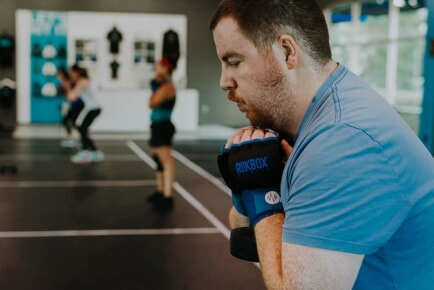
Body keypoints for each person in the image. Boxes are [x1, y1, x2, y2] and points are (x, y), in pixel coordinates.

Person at [210, 0, 434, 289]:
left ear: (287, 52)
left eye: (234, 61)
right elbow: (242, 229)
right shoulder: (316, 117)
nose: (224, 81)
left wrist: (261, 191)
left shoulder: (342, 141)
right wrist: (248, 190)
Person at [146, 57, 177, 212]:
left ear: (166, 69)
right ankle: (160, 191)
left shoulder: (167, 87)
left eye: (159, 66)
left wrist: (154, 89)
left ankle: (168, 196)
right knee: (157, 159)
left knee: (166, 161)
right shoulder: (162, 85)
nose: (156, 69)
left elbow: (151, 103)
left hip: (163, 126)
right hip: (157, 125)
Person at [67, 64, 104, 164]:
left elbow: (72, 97)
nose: (71, 75)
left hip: (94, 108)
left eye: (72, 73)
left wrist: (69, 86)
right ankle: (92, 151)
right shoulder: (82, 80)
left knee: (82, 128)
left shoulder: (82, 81)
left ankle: (88, 151)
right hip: (93, 108)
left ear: (77, 72)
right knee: (81, 128)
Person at [56, 66, 84, 147]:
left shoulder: (66, 81)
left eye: (59, 75)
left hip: (77, 104)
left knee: (69, 122)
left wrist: (62, 91)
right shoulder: (67, 81)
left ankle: (78, 139)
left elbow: (69, 95)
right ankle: (73, 138)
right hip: (75, 104)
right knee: (68, 121)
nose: (58, 77)